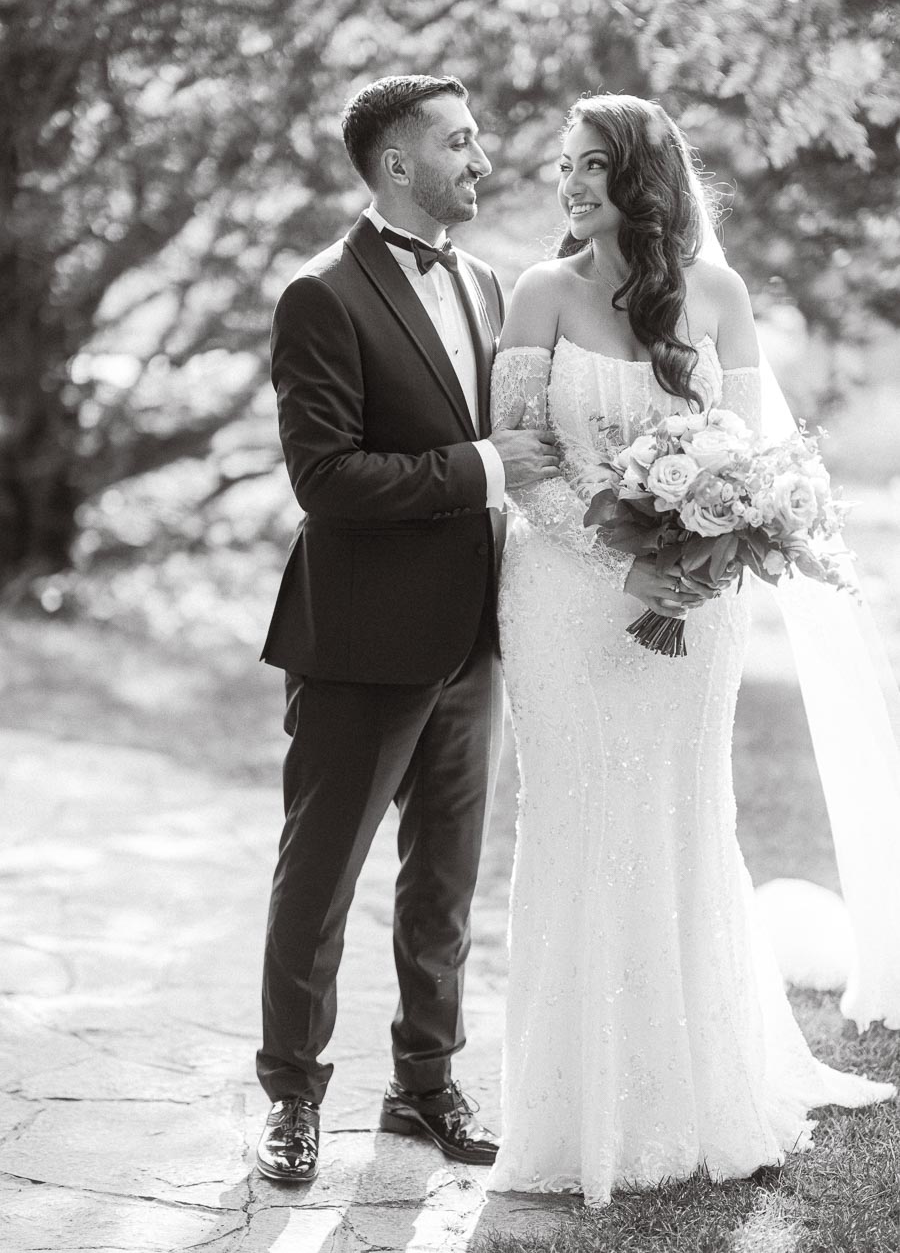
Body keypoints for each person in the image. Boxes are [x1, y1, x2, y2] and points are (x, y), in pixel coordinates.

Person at [487, 92, 895, 1206]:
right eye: (563, 167)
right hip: (567, 602)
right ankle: (574, 1112)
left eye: (587, 166)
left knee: (679, 819)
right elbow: (520, 453)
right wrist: (622, 562)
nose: (566, 185)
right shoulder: (540, 291)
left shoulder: (715, 294)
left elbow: (760, 456)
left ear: (641, 175)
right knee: (578, 826)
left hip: (701, 606)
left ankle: (690, 1089)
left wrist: (708, 554)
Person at [254, 74, 559, 1183]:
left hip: (471, 640)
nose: (482, 160)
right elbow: (325, 479)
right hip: (357, 644)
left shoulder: (485, 282)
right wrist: (479, 468)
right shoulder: (320, 295)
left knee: (444, 884)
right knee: (321, 880)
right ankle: (290, 1094)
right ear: (397, 165)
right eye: (460, 143)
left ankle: (423, 1086)